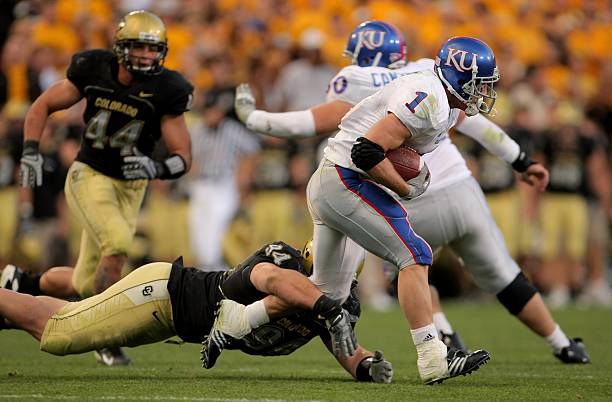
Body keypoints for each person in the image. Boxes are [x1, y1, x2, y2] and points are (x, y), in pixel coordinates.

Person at [226, 21, 590, 364]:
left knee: (401, 265)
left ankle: (441, 337)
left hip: (407, 195)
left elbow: (309, 123)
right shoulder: (430, 76)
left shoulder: (362, 79)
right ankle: (561, 344)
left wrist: (254, 118)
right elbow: (479, 127)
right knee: (500, 274)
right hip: (459, 190)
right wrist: (521, 160)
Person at [206, 33, 503, 385]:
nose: (484, 93)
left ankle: (239, 319)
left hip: (337, 180)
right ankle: (432, 357)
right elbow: (366, 151)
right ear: (458, 75)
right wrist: (405, 187)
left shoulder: (446, 104)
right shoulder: (428, 98)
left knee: (329, 291)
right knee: (415, 253)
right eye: (478, 84)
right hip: (345, 179)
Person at [5, 10, 194, 365]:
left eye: (152, 49)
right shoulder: (94, 68)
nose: (145, 56)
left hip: (132, 187)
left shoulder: (168, 88)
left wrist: (156, 166)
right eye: (137, 47)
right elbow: (43, 104)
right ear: (121, 48)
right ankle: (104, 337)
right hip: (89, 174)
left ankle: (21, 283)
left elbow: (183, 156)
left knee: (85, 282)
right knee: (119, 243)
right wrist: (31, 151)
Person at [0, 241, 392, 384]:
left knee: (74, 315)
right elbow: (268, 277)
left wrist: (368, 367)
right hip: (163, 294)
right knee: (60, 334)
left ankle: (10, 302)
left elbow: (350, 352)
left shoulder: (339, 306)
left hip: (168, 321)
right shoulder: (285, 263)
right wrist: (324, 305)